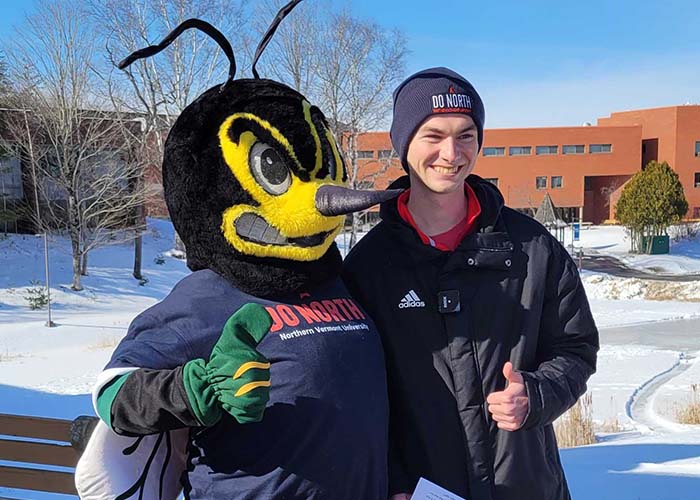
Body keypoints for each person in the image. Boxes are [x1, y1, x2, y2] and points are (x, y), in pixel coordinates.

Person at [342, 67, 599, 500]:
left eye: (466, 135)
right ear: (403, 144)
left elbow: (575, 349)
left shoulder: (533, 248)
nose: (451, 152)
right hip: (423, 490)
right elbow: (357, 393)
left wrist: (535, 395)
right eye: (433, 135)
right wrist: (390, 481)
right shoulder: (370, 267)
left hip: (526, 486)